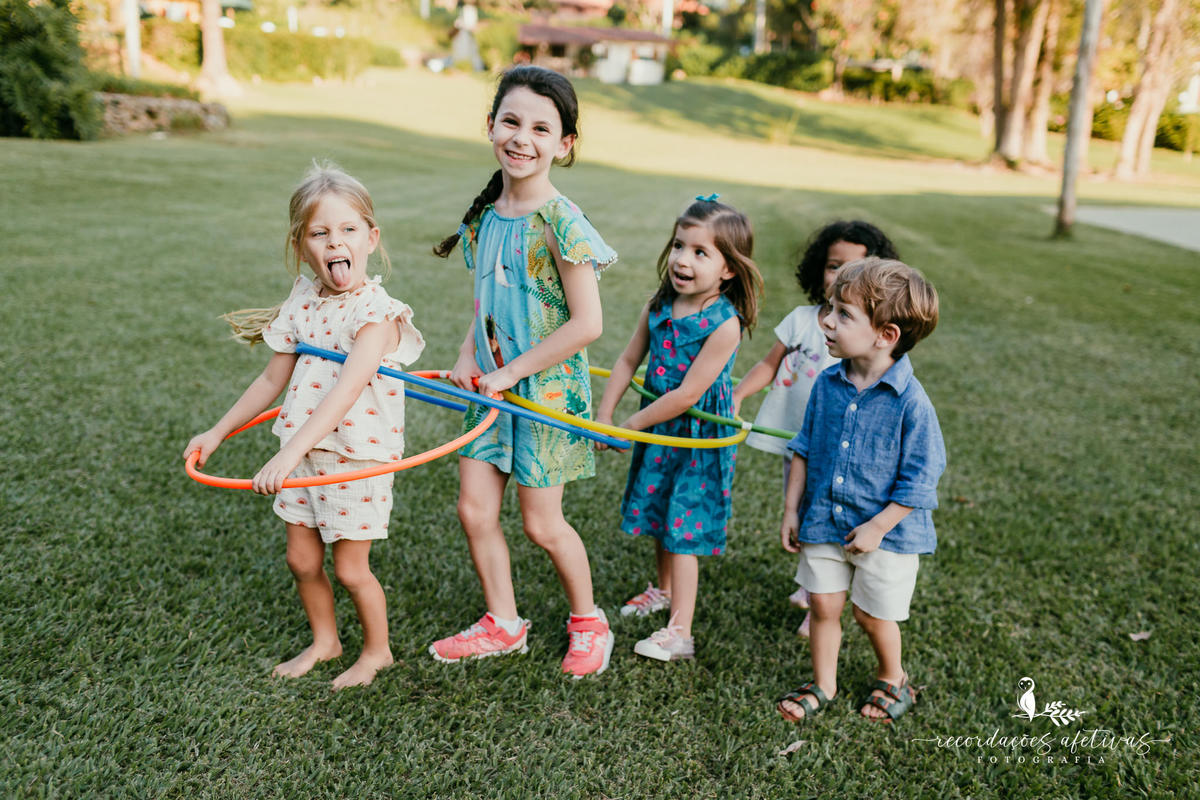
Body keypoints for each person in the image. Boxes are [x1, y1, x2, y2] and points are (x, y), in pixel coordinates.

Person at [183, 163, 425, 690]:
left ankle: (377, 651)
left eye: (348, 230)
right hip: (307, 454)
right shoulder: (303, 299)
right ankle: (325, 641)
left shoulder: (378, 314)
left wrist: (287, 453)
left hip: (356, 455)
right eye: (320, 233)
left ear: (370, 238)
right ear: (301, 245)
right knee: (300, 559)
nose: (335, 243)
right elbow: (272, 379)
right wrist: (217, 432)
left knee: (351, 570)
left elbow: (346, 390)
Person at [428, 66, 618, 677]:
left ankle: (590, 622)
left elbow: (587, 324)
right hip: (490, 386)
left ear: (564, 145)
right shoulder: (485, 218)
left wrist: (513, 375)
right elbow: (487, 306)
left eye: (542, 128)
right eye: (511, 121)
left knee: (541, 522)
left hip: (544, 394)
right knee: (474, 511)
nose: (522, 138)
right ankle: (503, 623)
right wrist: (467, 357)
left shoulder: (562, 222)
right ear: (490, 126)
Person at [776, 256, 943, 723]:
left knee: (872, 616)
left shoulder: (911, 402)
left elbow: (922, 479)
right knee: (824, 603)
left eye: (842, 314)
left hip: (886, 536)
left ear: (885, 335)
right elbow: (805, 447)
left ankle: (893, 677)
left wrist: (878, 526)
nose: (826, 321)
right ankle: (824, 684)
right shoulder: (828, 383)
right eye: (829, 308)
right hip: (824, 520)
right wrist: (792, 510)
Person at [596, 195, 763, 662]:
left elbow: (688, 395)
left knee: (682, 529)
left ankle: (680, 632)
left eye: (700, 252)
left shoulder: (724, 325)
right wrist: (605, 416)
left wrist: (630, 425)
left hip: (695, 440)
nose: (682, 260)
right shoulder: (660, 304)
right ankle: (665, 591)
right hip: (659, 432)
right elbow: (629, 359)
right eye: (678, 246)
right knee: (659, 512)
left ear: (729, 269)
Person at [732, 221, 899, 637]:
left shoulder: (864, 337)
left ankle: (823, 604)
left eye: (855, 267)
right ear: (817, 270)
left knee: (827, 516)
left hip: (840, 448)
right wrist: (736, 396)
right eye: (833, 265)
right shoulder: (802, 320)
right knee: (802, 512)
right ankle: (813, 586)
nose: (840, 275)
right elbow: (768, 366)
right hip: (797, 440)